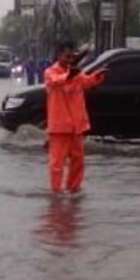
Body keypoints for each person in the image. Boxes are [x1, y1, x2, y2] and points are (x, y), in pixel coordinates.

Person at [43, 39, 106, 195]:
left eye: (71, 56)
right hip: (59, 128)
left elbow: (87, 82)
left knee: (78, 162)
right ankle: (56, 193)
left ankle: (73, 190)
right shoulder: (51, 72)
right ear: (58, 56)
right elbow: (56, 81)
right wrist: (69, 75)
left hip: (76, 127)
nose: (69, 59)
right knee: (57, 164)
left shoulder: (76, 73)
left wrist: (98, 76)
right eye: (66, 56)